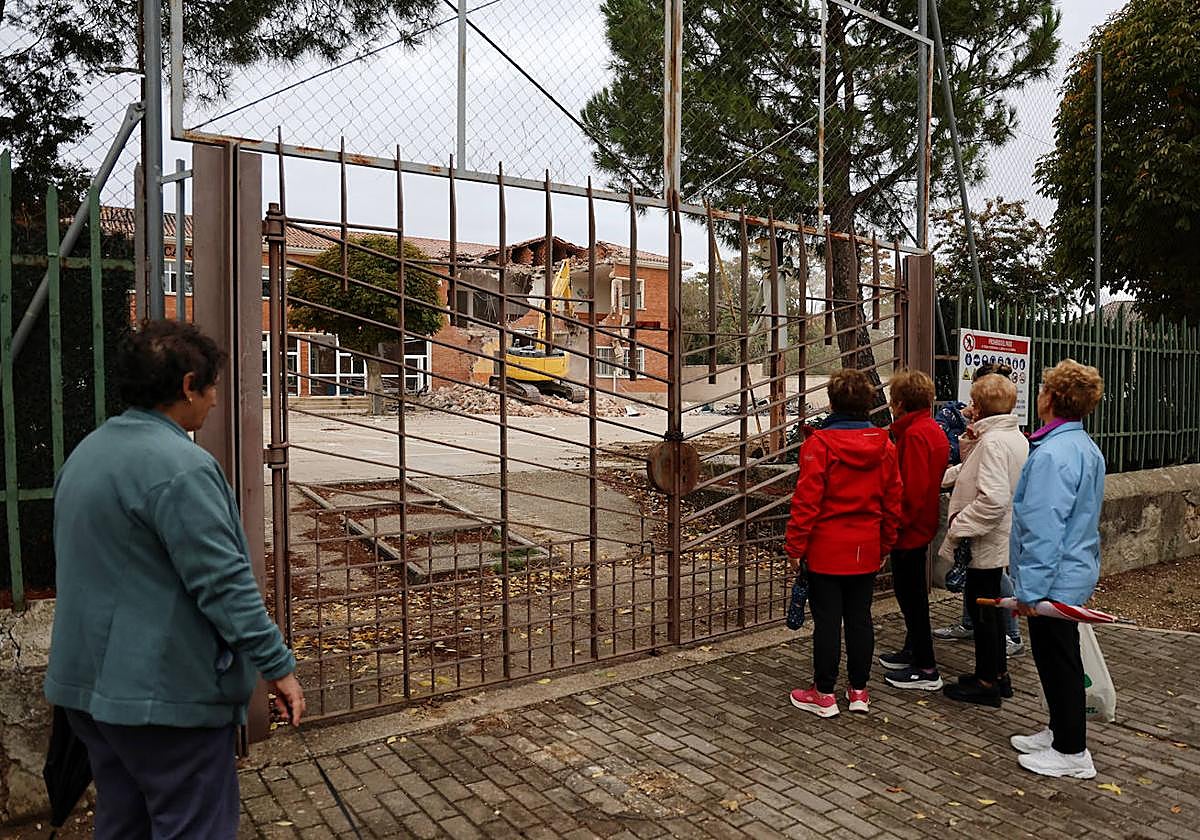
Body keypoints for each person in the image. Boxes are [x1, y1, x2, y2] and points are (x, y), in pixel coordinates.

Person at [45, 320, 305, 839]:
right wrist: (277, 666)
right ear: (189, 385)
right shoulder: (181, 468)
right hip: (164, 701)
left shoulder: (88, 452)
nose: (214, 401)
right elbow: (225, 585)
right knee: (194, 826)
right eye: (212, 387)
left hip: (90, 694)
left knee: (124, 823)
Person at [786, 369, 903, 718]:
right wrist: (885, 545)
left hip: (826, 548)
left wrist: (795, 546)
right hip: (865, 547)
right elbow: (893, 502)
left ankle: (824, 693)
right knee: (859, 618)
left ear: (832, 402)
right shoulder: (885, 446)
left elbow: (806, 501)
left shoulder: (819, 445)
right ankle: (859, 691)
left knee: (827, 622)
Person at [1009, 359, 1105, 779]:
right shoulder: (1081, 445)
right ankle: (1059, 730)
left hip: (1054, 577)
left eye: (1043, 388)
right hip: (1070, 570)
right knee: (1054, 657)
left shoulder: (1053, 454)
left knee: (1059, 659)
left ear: (1051, 398)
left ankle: (1072, 751)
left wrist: (1030, 589)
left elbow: (1044, 527)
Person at [937, 374, 1030, 707]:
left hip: (985, 540)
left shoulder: (993, 442)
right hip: (999, 537)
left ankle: (987, 682)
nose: (970, 407)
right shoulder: (1009, 436)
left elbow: (993, 499)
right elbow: (970, 469)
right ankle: (997, 675)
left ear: (981, 406)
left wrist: (960, 525)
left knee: (983, 613)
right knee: (988, 609)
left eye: (974, 402)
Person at [879, 370, 950, 691]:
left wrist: (893, 528)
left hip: (910, 528)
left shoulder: (915, 435)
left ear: (900, 402)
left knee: (912, 597)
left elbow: (911, 490)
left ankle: (925, 666)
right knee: (912, 594)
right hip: (921, 523)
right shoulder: (929, 429)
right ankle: (913, 650)